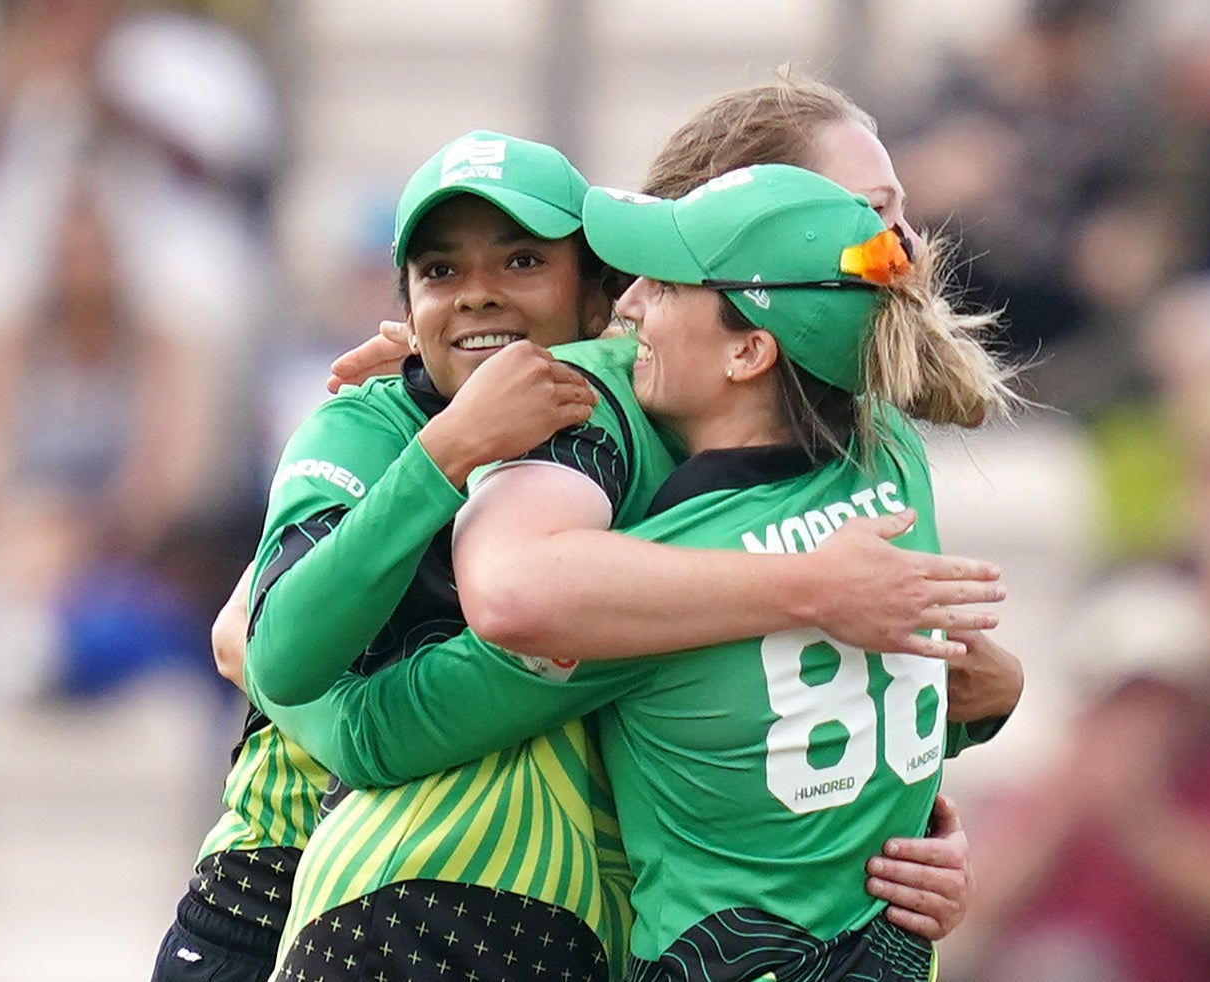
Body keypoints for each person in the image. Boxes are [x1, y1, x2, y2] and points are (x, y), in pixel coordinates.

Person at [242, 163, 1019, 982]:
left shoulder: (667, 587)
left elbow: (395, 714)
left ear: (751, 350)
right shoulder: (890, 455)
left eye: (668, 284)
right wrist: (991, 694)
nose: (634, 305)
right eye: (440, 272)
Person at [150, 129, 610, 982]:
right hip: (264, 894)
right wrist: (446, 452)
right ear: (408, 304)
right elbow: (269, 646)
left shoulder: (634, 449)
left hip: (510, 919)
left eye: (520, 262)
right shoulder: (363, 424)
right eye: (440, 271)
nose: (475, 296)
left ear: (598, 299)